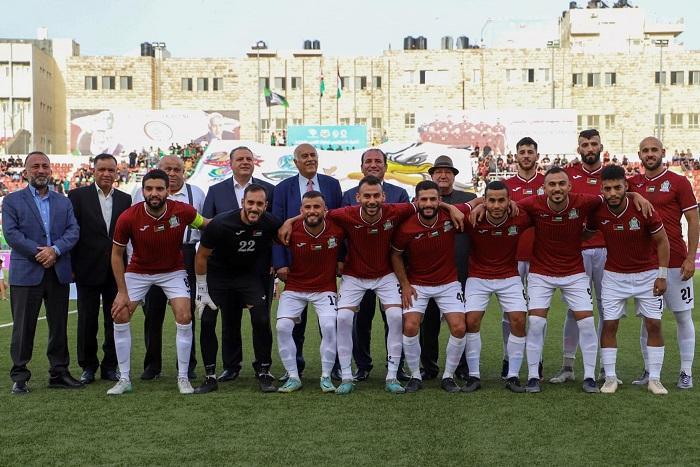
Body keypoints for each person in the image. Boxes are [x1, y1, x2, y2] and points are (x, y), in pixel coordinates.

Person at [516, 167, 653, 393]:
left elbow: (612, 194)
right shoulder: (532, 204)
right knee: (536, 322)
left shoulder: (584, 201)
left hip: (574, 273)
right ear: (544, 188)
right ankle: (532, 377)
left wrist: (634, 194)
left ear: (569, 186)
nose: (557, 188)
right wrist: (478, 204)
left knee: (587, 323)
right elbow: (504, 204)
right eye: (552, 184)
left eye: (562, 184)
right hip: (541, 273)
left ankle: (589, 377)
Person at [108, 169, 208, 395]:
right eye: (149, 189)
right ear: (143, 191)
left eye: (159, 189)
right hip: (138, 271)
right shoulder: (128, 217)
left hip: (173, 271)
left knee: (184, 315)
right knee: (120, 314)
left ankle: (183, 377)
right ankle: (124, 379)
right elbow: (116, 254)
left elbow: (205, 225)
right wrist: (122, 292)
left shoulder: (183, 211)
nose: (154, 193)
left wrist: (236, 221)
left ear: (168, 191)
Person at [585, 164, 670, 395]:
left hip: (647, 274)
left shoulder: (644, 208)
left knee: (654, 324)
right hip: (614, 277)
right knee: (610, 324)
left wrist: (662, 275)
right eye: (607, 189)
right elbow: (586, 232)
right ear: (601, 190)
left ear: (626, 186)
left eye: (618, 188)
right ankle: (610, 377)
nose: (613, 193)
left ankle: (655, 378)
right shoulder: (597, 211)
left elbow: (662, 241)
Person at [3, 151, 81, 394]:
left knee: (59, 326)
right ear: (26, 172)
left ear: (50, 170)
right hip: (27, 272)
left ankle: (59, 373)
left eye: (45, 166)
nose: (40, 170)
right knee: (23, 327)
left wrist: (55, 250)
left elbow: (73, 231)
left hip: (58, 271)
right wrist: (40, 253)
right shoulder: (12, 201)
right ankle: (20, 376)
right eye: (35, 166)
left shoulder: (63, 202)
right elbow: (11, 234)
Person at [193, 184, 280, 393]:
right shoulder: (221, 223)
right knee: (207, 320)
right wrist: (202, 289)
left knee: (261, 319)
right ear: (243, 203)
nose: (254, 208)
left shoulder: (270, 222)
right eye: (250, 202)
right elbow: (201, 256)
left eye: (259, 204)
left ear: (266, 205)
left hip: (247, 276)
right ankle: (210, 376)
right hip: (218, 276)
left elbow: (284, 235)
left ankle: (264, 371)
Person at [629, 136, 699, 389]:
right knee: (649, 320)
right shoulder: (632, 184)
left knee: (682, 316)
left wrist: (690, 257)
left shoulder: (678, 182)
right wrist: (632, 193)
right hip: (645, 264)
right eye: (645, 151)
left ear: (663, 152)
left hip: (676, 261)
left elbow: (693, 220)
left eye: (654, 150)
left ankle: (685, 372)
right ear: (639, 155)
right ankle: (649, 370)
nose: (650, 154)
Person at [201, 146, 275, 383]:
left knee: (261, 318)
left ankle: (263, 368)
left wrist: (276, 262)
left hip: (255, 269)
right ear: (230, 163)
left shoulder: (269, 189)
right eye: (240, 159)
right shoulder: (216, 191)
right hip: (221, 270)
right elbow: (206, 228)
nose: (245, 162)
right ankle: (229, 367)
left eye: (248, 158)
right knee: (228, 319)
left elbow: (278, 229)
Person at [272, 143, 342, 382]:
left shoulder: (332, 184)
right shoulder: (283, 188)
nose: (310, 159)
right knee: (294, 324)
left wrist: (340, 259)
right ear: (296, 162)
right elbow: (278, 227)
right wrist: (280, 263)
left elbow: (339, 224)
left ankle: (333, 367)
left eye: (313, 155)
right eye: (305, 156)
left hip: (324, 266)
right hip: (294, 264)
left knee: (329, 323)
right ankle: (295, 366)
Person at [391, 181, 468, 394]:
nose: (428, 203)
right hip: (418, 284)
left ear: (439, 201)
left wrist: (450, 208)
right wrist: (405, 284)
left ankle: (448, 376)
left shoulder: (450, 217)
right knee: (410, 326)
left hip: (448, 283)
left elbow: (479, 202)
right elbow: (396, 255)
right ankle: (415, 376)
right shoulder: (406, 226)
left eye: (433, 199)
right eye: (423, 199)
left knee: (459, 327)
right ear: (416, 201)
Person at [341, 148, 409, 382]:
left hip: (390, 269)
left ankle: (396, 366)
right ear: (361, 167)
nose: (373, 165)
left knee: (394, 318)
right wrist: (341, 260)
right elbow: (339, 231)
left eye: (378, 161)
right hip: (357, 269)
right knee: (361, 320)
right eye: (368, 161)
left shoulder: (399, 194)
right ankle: (363, 365)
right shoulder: (348, 195)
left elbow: (405, 231)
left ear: (385, 166)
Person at [133, 155, 205, 380]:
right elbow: (132, 228)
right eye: (167, 169)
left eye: (177, 169)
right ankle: (152, 365)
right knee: (153, 313)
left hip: (185, 254)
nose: (172, 173)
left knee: (186, 312)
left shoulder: (197, 194)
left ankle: (188, 364)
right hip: (150, 255)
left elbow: (206, 228)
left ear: (184, 172)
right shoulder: (140, 194)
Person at [551, 129, 609, 384]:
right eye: (585, 144)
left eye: (593, 144)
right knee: (575, 310)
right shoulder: (567, 175)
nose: (589, 148)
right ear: (579, 149)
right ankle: (568, 366)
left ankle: (606, 367)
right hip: (577, 251)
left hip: (606, 249)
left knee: (607, 308)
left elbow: (625, 197)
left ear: (601, 147)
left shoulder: (611, 174)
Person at [68, 153, 132, 384]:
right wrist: (72, 266)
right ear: (93, 171)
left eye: (110, 170)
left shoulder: (125, 199)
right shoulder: (77, 196)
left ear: (117, 173)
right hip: (86, 267)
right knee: (87, 320)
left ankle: (110, 366)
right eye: (102, 169)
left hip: (116, 270)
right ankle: (88, 366)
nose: (106, 174)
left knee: (115, 318)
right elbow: (71, 231)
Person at [462, 180, 531, 393]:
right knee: (471, 321)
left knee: (519, 320)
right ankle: (474, 376)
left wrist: (518, 204)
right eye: (491, 200)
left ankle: (512, 376)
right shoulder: (473, 218)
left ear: (509, 200)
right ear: (485, 200)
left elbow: (539, 206)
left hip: (508, 276)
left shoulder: (520, 217)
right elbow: (449, 211)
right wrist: (475, 205)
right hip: (478, 276)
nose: (496, 205)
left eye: (502, 200)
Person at [422, 155, 474, 380]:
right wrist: (446, 206)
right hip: (429, 271)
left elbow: (482, 202)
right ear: (432, 176)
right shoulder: (423, 199)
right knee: (429, 322)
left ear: (454, 176)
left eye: (448, 172)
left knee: (461, 322)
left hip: (461, 270)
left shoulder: (468, 197)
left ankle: (462, 367)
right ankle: (429, 366)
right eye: (438, 172)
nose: (443, 175)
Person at [502, 137, 544, 379]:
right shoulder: (505, 186)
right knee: (510, 313)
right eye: (522, 152)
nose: (526, 155)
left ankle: (537, 361)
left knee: (537, 315)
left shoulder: (547, 183)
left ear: (537, 155)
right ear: (515, 156)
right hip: (512, 257)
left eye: (530, 151)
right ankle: (508, 358)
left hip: (540, 257)